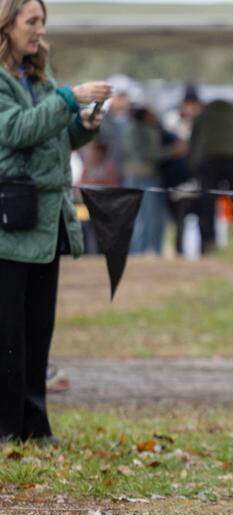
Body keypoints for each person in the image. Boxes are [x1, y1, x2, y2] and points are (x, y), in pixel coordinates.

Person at [0, 0, 110, 443]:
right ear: (6, 26)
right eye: (31, 21)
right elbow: (17, 130)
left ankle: (34, 427)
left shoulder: (40, 76)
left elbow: (57, 136)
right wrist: (69, 97)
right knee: (8, 336)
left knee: (37, 332)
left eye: (42, 21)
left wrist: (86, 122)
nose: (39, 30)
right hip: (11, 224)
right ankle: (6, 427)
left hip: (47, 225)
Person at [188, 98, 233, 252]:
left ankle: (208, 244)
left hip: (209, 158)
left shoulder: (203, 115)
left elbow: (193, 142)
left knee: (207, 202)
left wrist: (193, 168)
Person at [123, 106, 172, 255]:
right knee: (143, 218)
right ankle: (138, 251)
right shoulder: (135, 129)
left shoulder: (147, 129)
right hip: (141, 177)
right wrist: (171, 152)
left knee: (151, 217)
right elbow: (147, 153)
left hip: (147, 177)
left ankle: (147, 250)